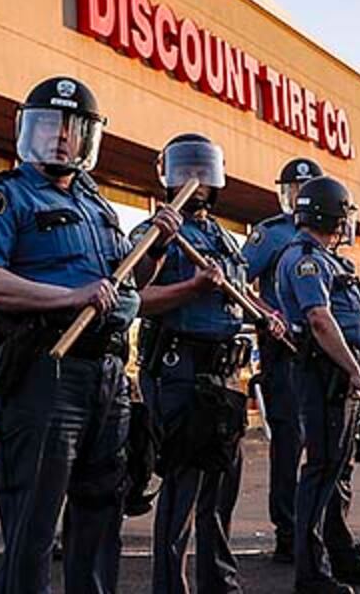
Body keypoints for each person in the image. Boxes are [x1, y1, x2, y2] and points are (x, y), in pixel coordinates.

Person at [0, 76, 183, 594]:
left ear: (88, 140)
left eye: (72, 129)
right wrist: (69, 297)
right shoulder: (3, 196)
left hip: (105, 377)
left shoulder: (98, 206)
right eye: (48, 126)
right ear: (25, 131)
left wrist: (155, 247)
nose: (60, 138)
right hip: (43, 372)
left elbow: (129, 283)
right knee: (33, 527)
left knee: (102, 515)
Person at [135, 133, 250, 594]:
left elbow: (238, 294)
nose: (195, 180)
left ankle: (218, 582)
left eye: (202, 170)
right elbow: (135, 294)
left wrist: (268, 316)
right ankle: (170, 586)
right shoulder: (157, 230)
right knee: (183, 484)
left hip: (225, 373)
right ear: (168, 175)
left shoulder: (223, 236)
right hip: (179, 368)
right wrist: (189, 284)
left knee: (222, 481)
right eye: (185, 170)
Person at [276, 175, 360, 593]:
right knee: (322, 470)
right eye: (344, 215)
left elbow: (348, 322)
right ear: (331, 214)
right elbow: (320, 320)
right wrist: (354, 371)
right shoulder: (305, 258)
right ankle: (311, 573)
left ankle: (340, 554)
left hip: (341, 371)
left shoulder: (329, 260)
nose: (347, 224)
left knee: (338, 469)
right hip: (323, 374)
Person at [242, 156, 323, 563]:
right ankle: (288, 531)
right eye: (293, 192)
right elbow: (236, 283)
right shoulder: (270, 235)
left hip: (320, 346)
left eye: (307, 193)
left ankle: (322, 529)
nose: (299, 200)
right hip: (283, 348)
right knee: (289, 441)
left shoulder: (328, 235)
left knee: (325, 443)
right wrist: (266, 312)